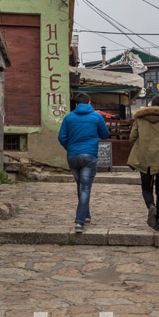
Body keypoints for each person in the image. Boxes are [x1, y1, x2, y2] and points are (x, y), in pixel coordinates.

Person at [58, 92, 110, 233]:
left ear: (75, 104)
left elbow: (61, 137)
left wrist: (69, 147)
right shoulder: (96, 117)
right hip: (89, 156)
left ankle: (86, 215)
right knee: (85, 188)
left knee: (80, 186)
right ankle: (79, 221)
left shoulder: (68, 117)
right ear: (89, 103)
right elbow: (105, 134)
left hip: (73, 156)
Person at [127, 95, 159, 231]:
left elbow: (132, 137)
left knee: (146, 188)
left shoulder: (140, 118)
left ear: (150, 106)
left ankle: (151, 205)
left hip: (144, 159)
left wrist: (140, 147)